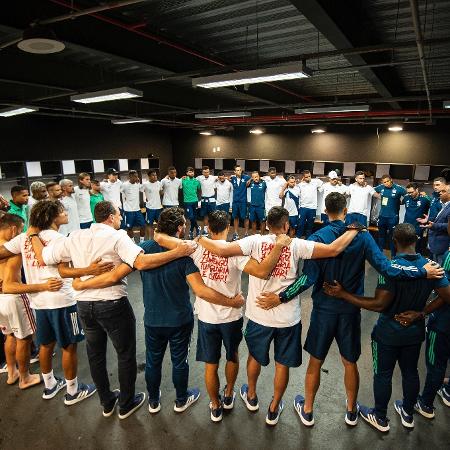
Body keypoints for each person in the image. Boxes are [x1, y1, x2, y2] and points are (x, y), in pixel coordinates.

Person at [257, 193, 443, 428]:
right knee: (349, 362)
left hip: (324, 311)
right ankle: (351, 410)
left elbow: (307, 278)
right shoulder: (362, 238)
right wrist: (422, 272)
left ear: (325, 211)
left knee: (315, 362)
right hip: (350, 311)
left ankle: (308, 409)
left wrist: (281, 297)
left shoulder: (318, 237)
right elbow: (387, 268)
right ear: (345, 212)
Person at [196, 206, 362, 426]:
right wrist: (353, 230)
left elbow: (223, 251)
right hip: (287, 319)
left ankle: (252, 396)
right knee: (281, 365)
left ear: (266, 225)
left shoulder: (254, 241)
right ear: (286, 226)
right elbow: (333, 249)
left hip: (259, 315)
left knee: (254, 357)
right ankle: (273, 408)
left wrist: (200, 238)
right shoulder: (297, 244)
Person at [29, 201, 196, 419]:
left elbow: (44, 258)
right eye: (118, 215)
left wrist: (32, 235)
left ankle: (107, 402)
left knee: (96, 355)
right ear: (110, 217)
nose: (120, 218)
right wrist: (179, 251)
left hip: (84, 306)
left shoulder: (75, 236)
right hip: (113, 304)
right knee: (125, 355)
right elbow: (141, 263)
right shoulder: (118, 237)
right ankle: (126, 404)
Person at [72, 207, 243, 416]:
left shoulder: (141, 249)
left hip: (153, 319)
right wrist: (232, 302)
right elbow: (199, 289)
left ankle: (153, 401)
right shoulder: (184, 255)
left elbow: (114, 275)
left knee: (153, 361)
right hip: (180, 319)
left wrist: (82, 284)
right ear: (180, 228)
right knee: (180, 361)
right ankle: (181, 399)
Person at [154, 210, 291, 422]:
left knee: (211, 364)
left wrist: (159, 235)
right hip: (232, 317)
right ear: (228, 228)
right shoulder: (236, 253)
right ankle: (228, 395)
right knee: (232, 355)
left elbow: (164, 239)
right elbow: (262, 271)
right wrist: (280, 246)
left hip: (207, 317)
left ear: (208, 228)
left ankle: (215, 405)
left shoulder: (196, 248)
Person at [323, 223, 450, 432]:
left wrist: (343, 294)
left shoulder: (390, 268)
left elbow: (379, 304)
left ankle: (380, 417)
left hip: (388, 333)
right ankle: (408, 414)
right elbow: (447, 297)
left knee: (383, 374)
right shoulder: (431, 266)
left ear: (394, 241)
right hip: (414, 331)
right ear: (416, 240)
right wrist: (421, 313)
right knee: (411, 373)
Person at [0, 201, 101, 405]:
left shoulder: (23, 237)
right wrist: (91, 270)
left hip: (38, 302)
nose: (66, 213)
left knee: (45, 344)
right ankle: (73, 391)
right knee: (69, 345)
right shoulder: (59, 239)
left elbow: (2, 251)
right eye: (62, 211)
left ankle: (50, 385)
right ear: (53, 217)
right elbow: (66, 270)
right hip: (62, 300)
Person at [0, 213, 40, 389]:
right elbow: (10, 284)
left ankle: (12, 373)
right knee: (24, 338)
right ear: (14, 229)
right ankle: (25, 378)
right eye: (20, 229)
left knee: (9, 335)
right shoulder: (13, 249)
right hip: (14, 297)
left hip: (0, 299)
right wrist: (43, 286)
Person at [413, 248, 450, 417]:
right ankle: (448, 390)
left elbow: (446, 294)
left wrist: (423, 312)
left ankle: (425, 404)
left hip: (443, 322)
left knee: (436, 365)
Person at [418, 184, 450, 265]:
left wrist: (434, 226)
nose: (440, 193)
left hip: (442, 247)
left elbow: (448, 226)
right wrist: (428, 220)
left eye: (443, 191)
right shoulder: (445, 206)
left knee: (441, 273)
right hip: (436, 245)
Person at [374, 174, 407, 254]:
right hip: (382, 217)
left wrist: (402, 202)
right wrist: (379, 197)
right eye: (384, 182)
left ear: (391, 180)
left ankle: (393, 256)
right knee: (381, 236)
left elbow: (407, 195)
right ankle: (379, 254)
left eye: (388, 181)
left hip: (393, 217)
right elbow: (372, 191)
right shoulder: (381, 187)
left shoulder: (399, 188)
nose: (386, 183)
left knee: (393, 237)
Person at [402, 182, 430, 252]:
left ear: (417, 190)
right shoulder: (406, 197)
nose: (410, 194)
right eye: (408, 192)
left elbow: (435, 209)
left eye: (411, 192)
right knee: (405, 246)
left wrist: (428, 219)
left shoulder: (425, 199)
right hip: (406, 226)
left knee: (416, 248)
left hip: (418, 227)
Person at [297, 170, 323, 238]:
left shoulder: (315, 182)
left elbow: (322, 185)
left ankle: (309, 239)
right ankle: (298, 238)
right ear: (303, 177)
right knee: (301, 224)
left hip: (312, 207)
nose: (308, 178)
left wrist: (319, 188)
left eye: (309, 176)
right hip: (303, 207)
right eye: (306, 177)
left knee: (310, 225)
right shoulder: (300, 185)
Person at [120, 170, 145, 241]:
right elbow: (119, 193)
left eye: (137, 176)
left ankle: (142, 241)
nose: (136, 178)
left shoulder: (137, 184)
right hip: (128, 210)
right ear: (130, 177)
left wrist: (139, 182)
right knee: (129, 227)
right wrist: (123, 206)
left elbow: (142, 189)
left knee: (143, 225)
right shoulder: (124, 185)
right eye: (135, 176)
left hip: (137, 210)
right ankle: (132, 242)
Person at [230, 165, 251, 240]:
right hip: (235, 201)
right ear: (235, 172)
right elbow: (226, 178)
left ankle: (246, 233)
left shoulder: (246, 177)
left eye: (240, 170)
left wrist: (250, 180)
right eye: (237, 170)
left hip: (243, 202)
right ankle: (236, 233)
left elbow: (255, 177)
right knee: (235, 217)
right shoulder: (233, 178)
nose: (239, 171)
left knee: (245, 218)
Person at [141, 170, 163, 240]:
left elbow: (160, 193)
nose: (155, 176)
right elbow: (141, 190)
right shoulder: (145, 184)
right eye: (153, 175)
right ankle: (150, 239)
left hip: (159, 207)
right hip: (150, 208)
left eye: (156, 175)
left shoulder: (159, 183)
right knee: (149, 224)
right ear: (149, 176)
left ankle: (159, 238)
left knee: (160, 224)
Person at [196, 166, 217, 236]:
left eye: (207, 172)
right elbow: (191, 179)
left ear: (209, 172)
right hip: (204, 199)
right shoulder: (199, 178)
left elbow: (223, 177)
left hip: (212, 200)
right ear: (202, 172)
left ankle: (212, 230)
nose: (206, 173)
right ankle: (205, 230)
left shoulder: (213, 177)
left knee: (213, 216)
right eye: (205, 172)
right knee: (205, 216)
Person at [181, 167, 201, 239]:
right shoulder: (183, 180)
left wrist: (199, 200)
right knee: (191, 217)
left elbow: (199, 190)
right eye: (189, 172)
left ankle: (191, 232)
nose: (191, 173)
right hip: (187, 202)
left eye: (192, 172)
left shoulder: (196, 181)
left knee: (194, 217)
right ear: (186, 173)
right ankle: (197, 227)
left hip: (195, 201)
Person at [247, 171, 267, 235]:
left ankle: (261, 235)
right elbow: (246, 184)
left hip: (261, 206)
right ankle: (254, 235)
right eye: (254, 177)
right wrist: (251, 179)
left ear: (259, 176)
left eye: (257, 176)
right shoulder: (251, 183)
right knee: (253, 221)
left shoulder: (264, 183)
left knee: (262, 222)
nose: (256, 178)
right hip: (252, 206)